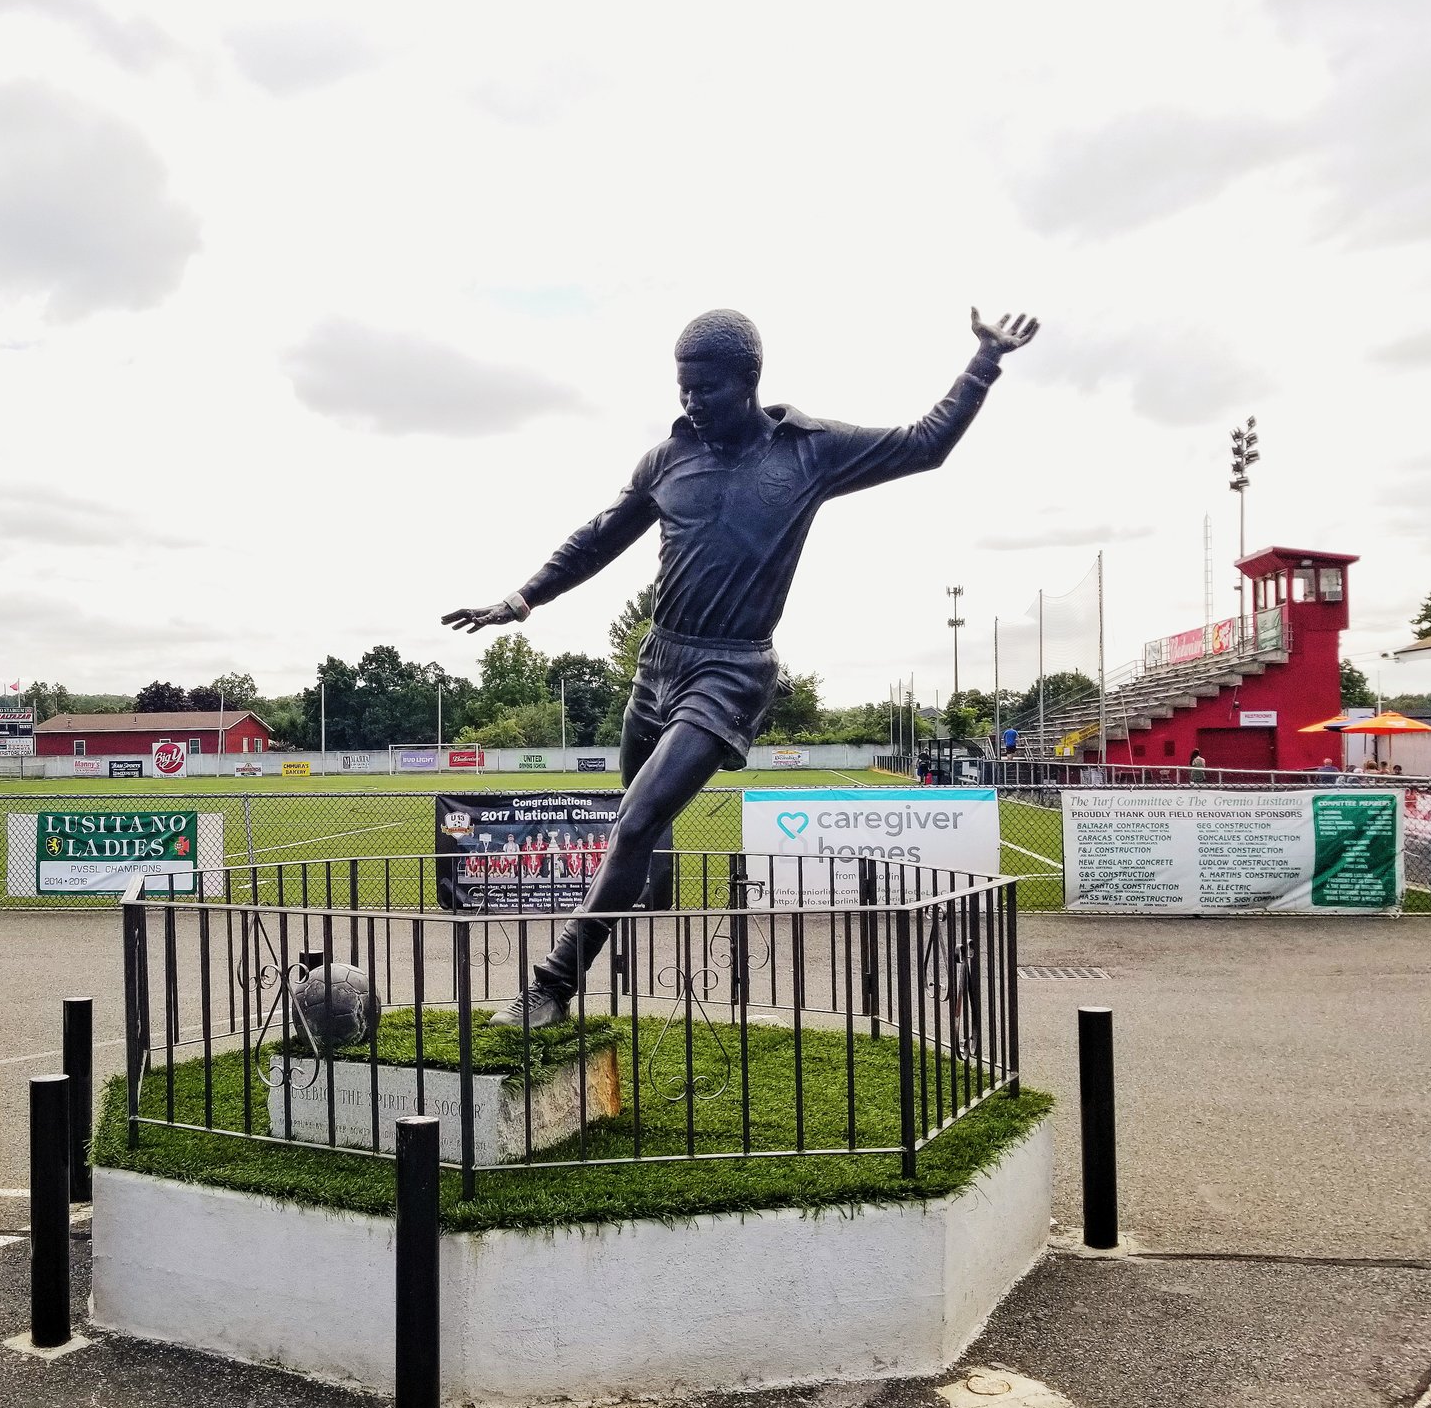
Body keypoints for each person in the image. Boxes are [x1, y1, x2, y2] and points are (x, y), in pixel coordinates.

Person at [443, 305, 1039, 1026]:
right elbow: (601, 536)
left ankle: (552, 986)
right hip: (656, 662)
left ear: (748, 381)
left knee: (633, 824)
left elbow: (925, 444)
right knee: (636, 824)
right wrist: (522, 597)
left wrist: (985, 362)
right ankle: (624, 911)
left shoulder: (809, 452)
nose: (691, 402)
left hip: (731, 673)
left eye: (706, 389)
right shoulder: (668, 458)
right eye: (682, 388)